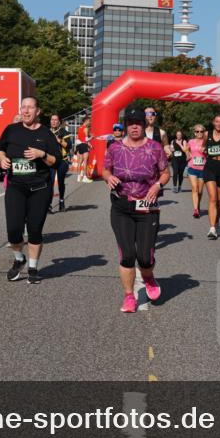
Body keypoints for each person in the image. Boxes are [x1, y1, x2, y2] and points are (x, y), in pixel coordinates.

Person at [102, 107, 170, 313]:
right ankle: (129, 296)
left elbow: (165, 172)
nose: (134, 127)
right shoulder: (115, 147)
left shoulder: (155, 147)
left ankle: (148, 277)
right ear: (125, 125)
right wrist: (108, 177)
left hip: (147, 206)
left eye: (138, 123)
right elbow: (105, 169)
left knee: (145, 257)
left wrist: (158, 185)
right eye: (130, 123)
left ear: (144, 124)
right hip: (122, 206)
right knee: (127, 255)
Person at [0, 96, 61, 285]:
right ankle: (19, 259)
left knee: (34, 229)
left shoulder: (46, 134)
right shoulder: (11, 129)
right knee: (13, 230)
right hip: (16, 187)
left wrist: (42, 154)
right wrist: (2, 158)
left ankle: (33, 268)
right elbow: (0, 149)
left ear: (37, 111)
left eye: (30, 107)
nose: (26, 111)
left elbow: (57, 161)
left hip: (40, 188)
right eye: (23, 107)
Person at [48, 114, 69, 214]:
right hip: (50, 161)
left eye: (56, 120)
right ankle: (48, 205)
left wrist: (59, 140)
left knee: (61, 183)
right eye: (52, 120)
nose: (54, 121)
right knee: (50, 183)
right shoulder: (46, 132)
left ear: (59, 122)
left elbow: (68, 146)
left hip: (62, 161)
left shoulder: (64, 132)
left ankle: (61, 202)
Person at [187, 124, 207, 218]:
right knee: (194, 188)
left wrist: (206, 151)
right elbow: (187, 150)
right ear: (195, 133)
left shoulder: (206, 142)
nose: (199, 133)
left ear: (204, 133)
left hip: (203, 169)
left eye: (201, 131)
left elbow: (210, 154)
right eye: (197, 131)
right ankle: (195, 210)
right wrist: (188, 154)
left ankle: (198, 205)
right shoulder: (190, 141)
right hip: (192, 167)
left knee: (200, 191)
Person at [74, 117, 91, 182]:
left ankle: (78, 177)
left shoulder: (79, 128)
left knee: (80, 161)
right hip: (83, 145)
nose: (89, 122)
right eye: (89, 121)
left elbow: (78, 137)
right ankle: (84, 177)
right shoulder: (86, 128)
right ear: (86, 121)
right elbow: (86, 139)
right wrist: (92, 137)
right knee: (85, 161)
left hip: (79, 145)